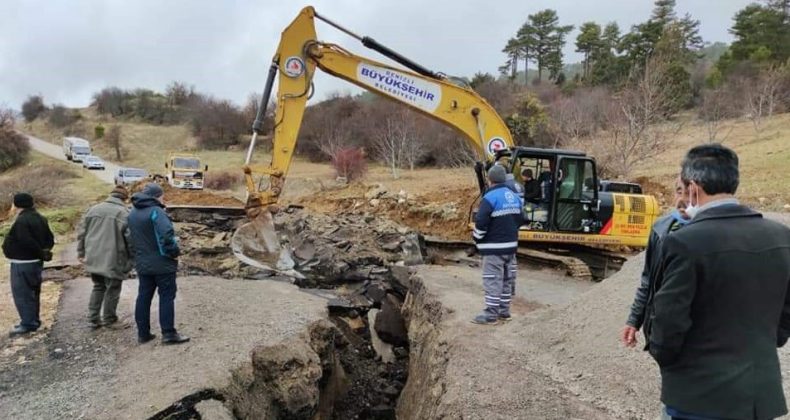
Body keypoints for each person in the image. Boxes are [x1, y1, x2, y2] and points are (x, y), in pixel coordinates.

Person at [647, 144, 790, 420]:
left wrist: (665, 355)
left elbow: (667, 322)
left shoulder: (685, 242)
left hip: (698, 398)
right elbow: (787, 312)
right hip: (758, 399)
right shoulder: (782, 237)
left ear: (694, 188)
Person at [621, 178, 690, 348]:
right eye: (679, 192)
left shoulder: (708, 234)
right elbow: (648, 280)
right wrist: (634, 320)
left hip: (693, 334)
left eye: (689, 193)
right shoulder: (660, 229)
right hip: (661, 330)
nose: (682, 199)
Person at [128, 183, 190, 345]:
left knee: (143, 296)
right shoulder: (157, 212)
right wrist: (174, 253)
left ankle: (143, 333)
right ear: (157, 196)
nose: (164, 198)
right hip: (162, 263)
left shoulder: (132, 213)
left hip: (142, 263)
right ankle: (168, 333)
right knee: (167, 297)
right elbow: (166, 236)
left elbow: (130, 238)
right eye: (162, 195)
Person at [471, 165, 523, 325]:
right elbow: (521, 219)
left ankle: (491, 314)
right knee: (507, 279)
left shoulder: (490, 198)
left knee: (492, 279)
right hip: (511, 247)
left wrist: (477, 238)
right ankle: (504, 311)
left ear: (490, 179)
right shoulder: (514, 196)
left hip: (494, 248)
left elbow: (481, 221)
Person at [77, 186, 134, 329]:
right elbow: (130, 239)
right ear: (124, 198)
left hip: (93, 256)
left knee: (98, 286)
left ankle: (93, 317)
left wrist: (81, 252)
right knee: (113, 288)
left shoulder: (93, 209)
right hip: (113, 257)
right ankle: (110, 319)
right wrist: (133, 258)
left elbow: (82, 233)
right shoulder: (124, 213)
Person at [1, 193, 54, 336]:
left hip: (23, 263)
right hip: (35, 263)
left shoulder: (22, 221)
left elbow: (26, 241)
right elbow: (50, 238)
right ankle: (33, 320)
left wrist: (39, 252)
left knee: (23, 294)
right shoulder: (40, 218)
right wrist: (44, 252)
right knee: (33, 293)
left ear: (17, 204)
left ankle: (28, 324)